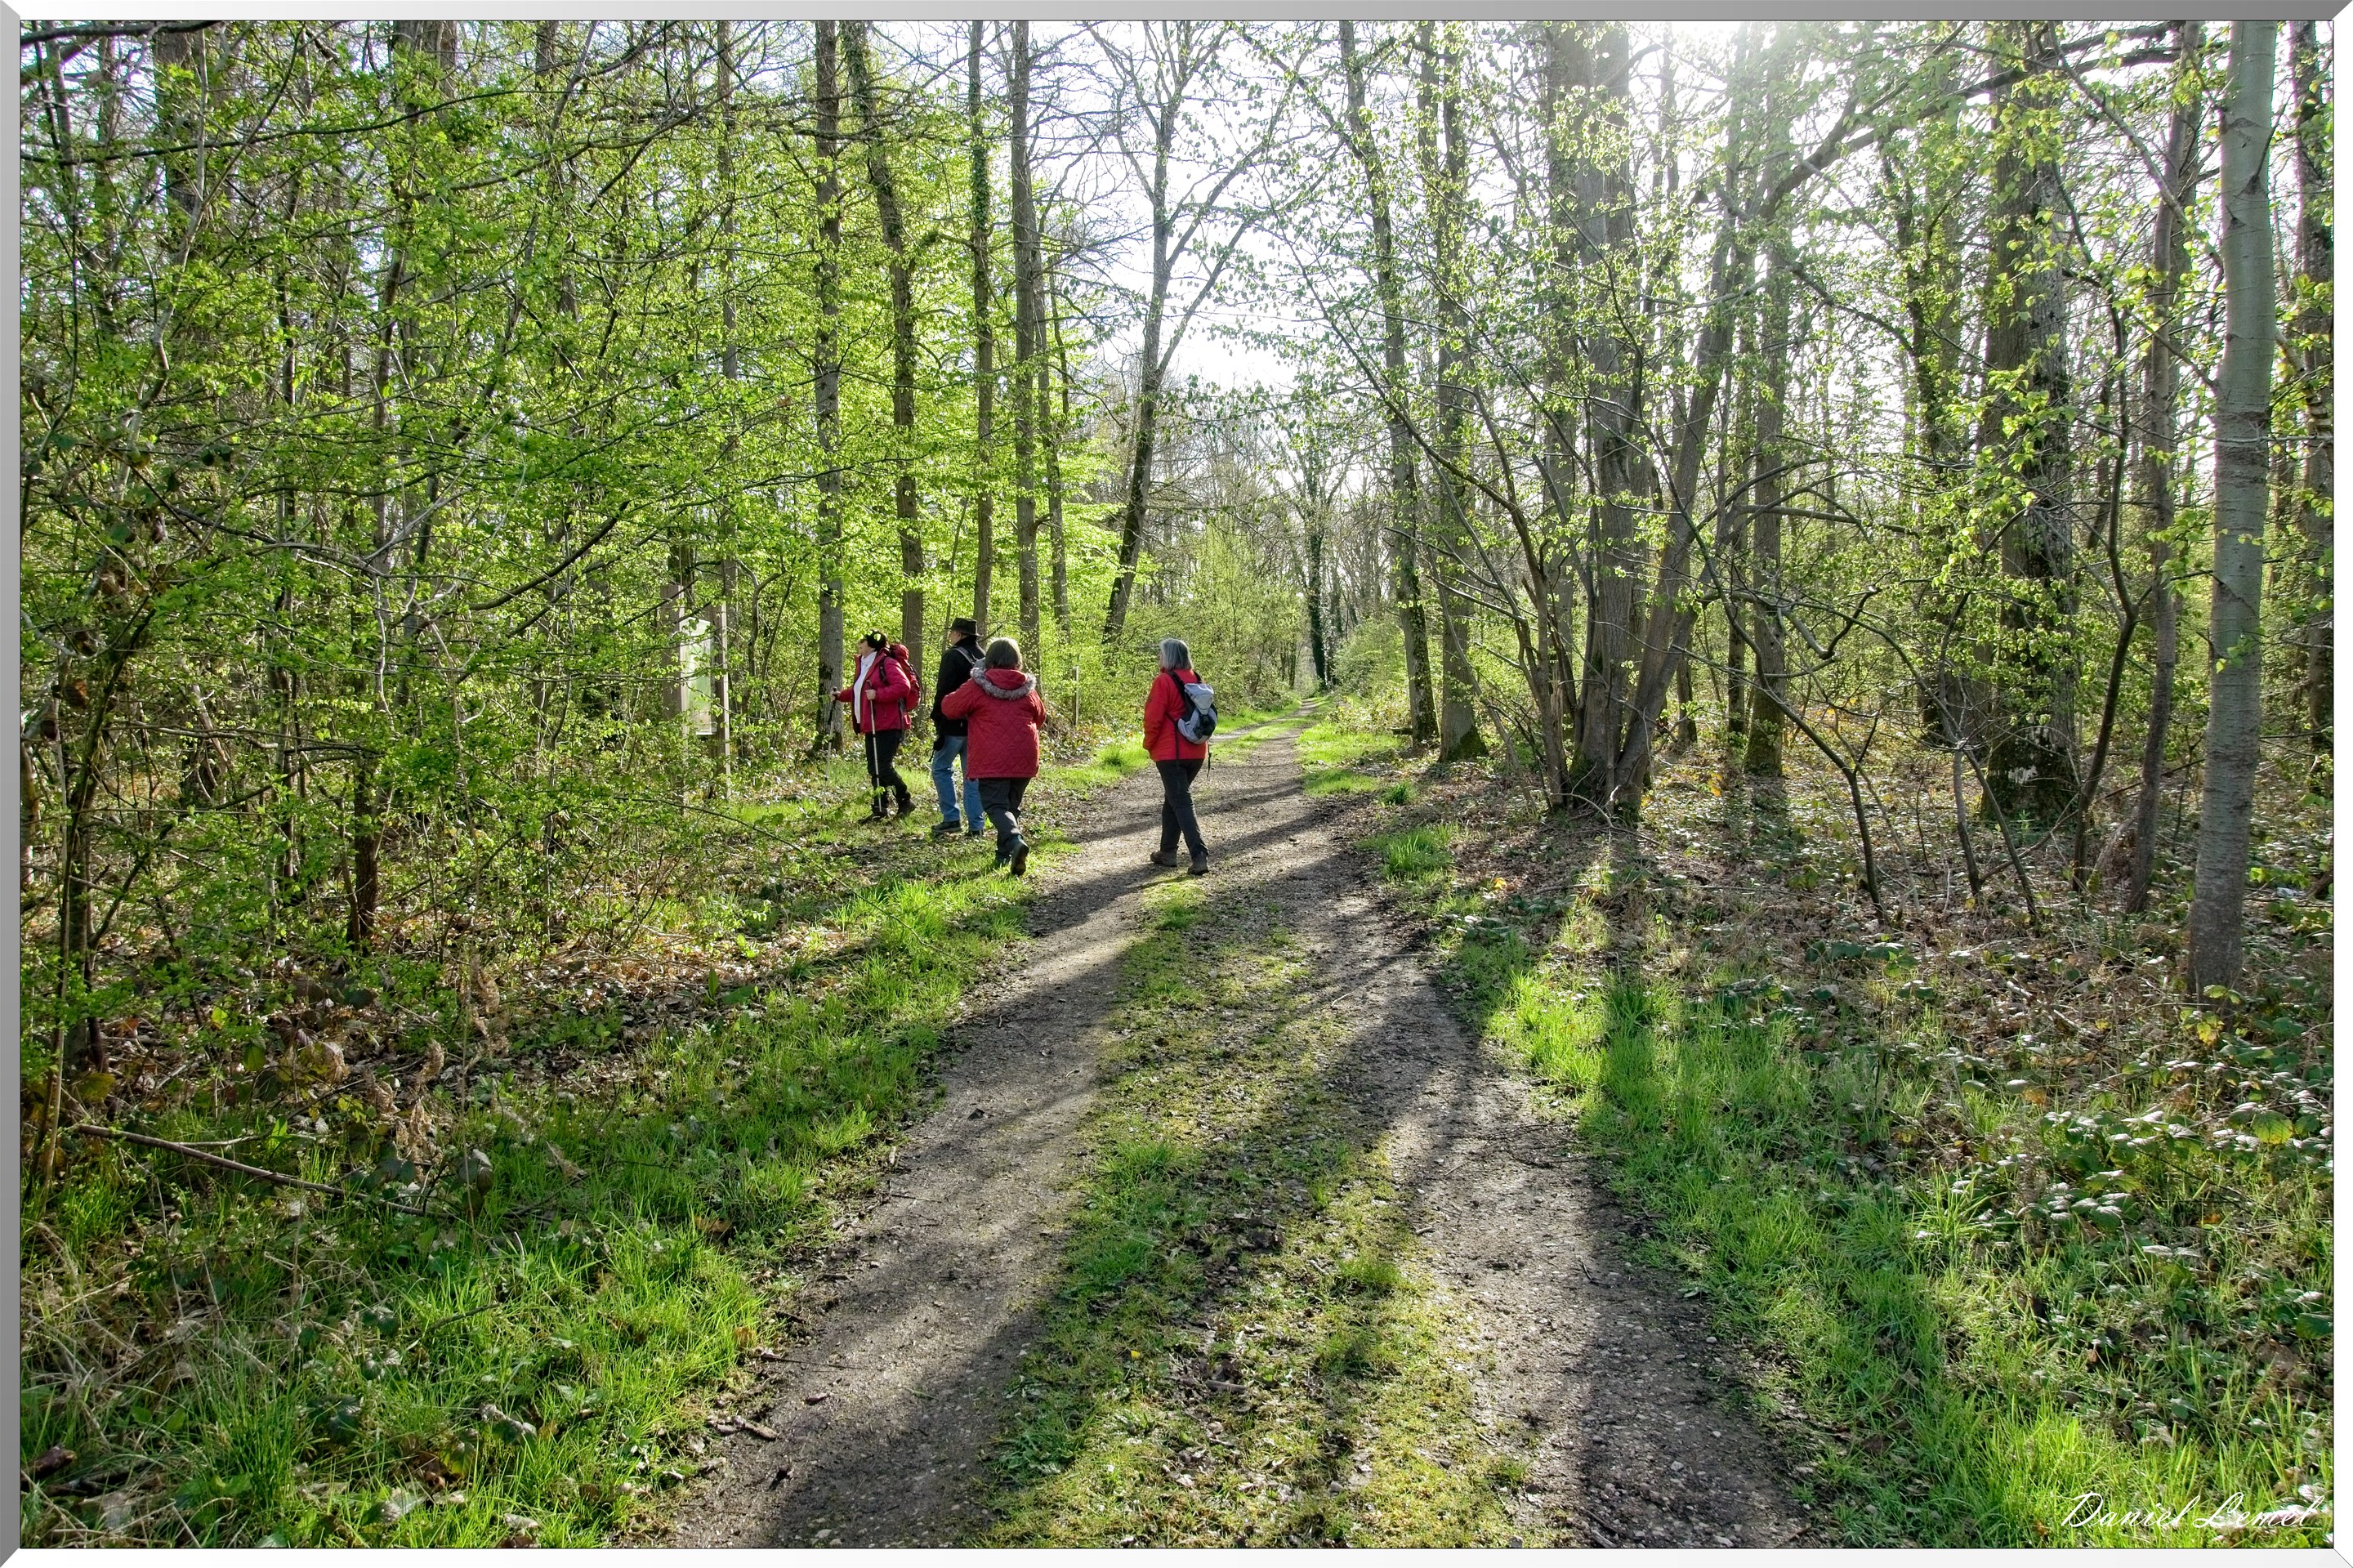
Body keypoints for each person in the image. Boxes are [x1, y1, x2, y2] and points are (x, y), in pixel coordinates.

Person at [939, 637, 1046, 875]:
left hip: (992, 758)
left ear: (990, 659)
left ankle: (1015, 842)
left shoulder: (978, 685)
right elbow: (1040, 717)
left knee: (995, 806)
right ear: (1017, 660)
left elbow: (949, 708)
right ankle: (1004, 855)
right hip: (1025, 756)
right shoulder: (1028, 688)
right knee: (1010, 806)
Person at [834, 630, 917, 821]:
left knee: (883, 767)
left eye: (862, 642)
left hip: (889, 723)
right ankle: (879, 809)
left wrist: (878, 695)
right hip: (872, 724)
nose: (859, 645)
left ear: (871, 645)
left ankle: (905, 800)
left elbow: (903, 687)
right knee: (874, 768)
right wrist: (841, 697)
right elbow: (860, 691)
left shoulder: (887, 663)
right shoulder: (866, 664)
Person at [1143, 637, 1210, 875]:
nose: (1159, 658)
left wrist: (1148, 744)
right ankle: (1168, 852)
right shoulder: (1197, 679)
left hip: (1171, 753)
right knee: (1173, 799)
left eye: (1161, 654)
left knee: (1181, 801)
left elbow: (1153, 719)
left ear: (1169, 656)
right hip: (1198, 751)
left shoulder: (1163, 681)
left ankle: (1199, 855)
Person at [928, 616, 987, 840]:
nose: (950, 635)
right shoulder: (984, 656)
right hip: (976, 726)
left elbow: (943, 691)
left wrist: (938, 721)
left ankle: (951, 818)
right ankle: (976, 826)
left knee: (941, 768)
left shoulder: (952, 656)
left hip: (953, 724)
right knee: (972, 775)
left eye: (952, 632)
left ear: (960, 635)